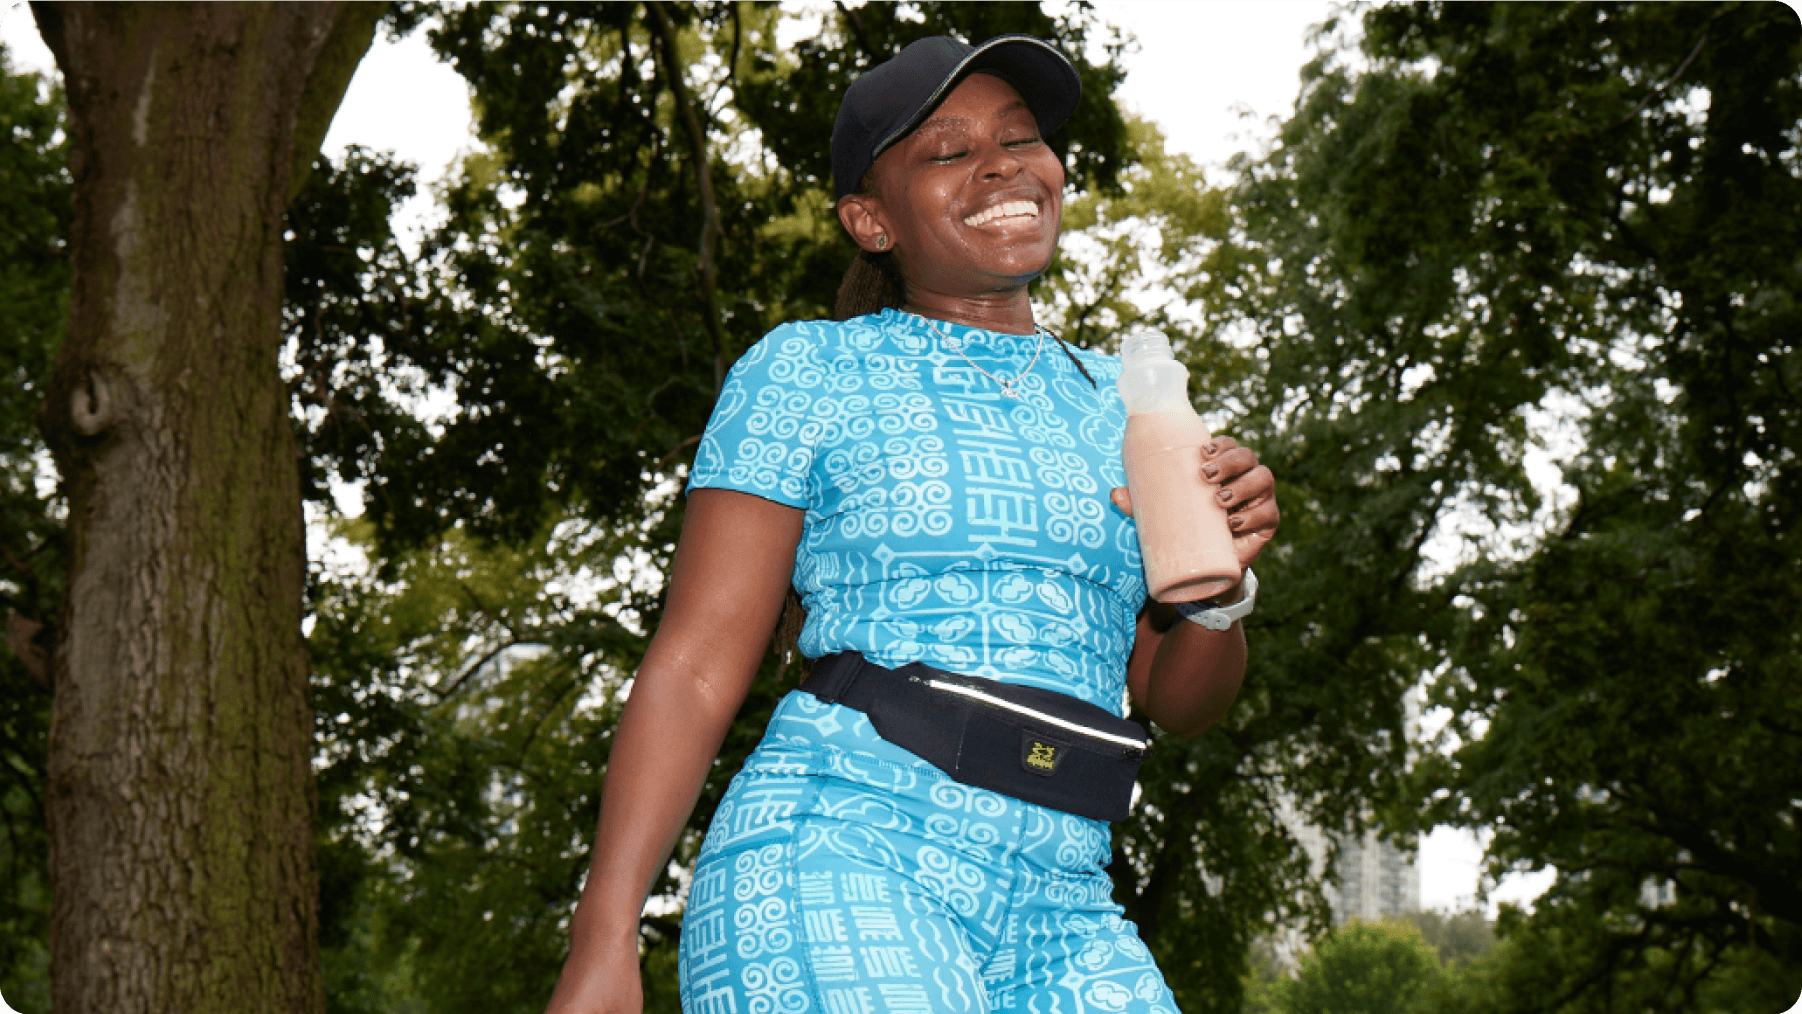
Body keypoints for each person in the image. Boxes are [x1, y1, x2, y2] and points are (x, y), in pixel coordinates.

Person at [546, 34, 1279, 1014]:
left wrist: (1220, 592)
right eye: (946, 151)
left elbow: (1173, 701)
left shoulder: (1134, 410)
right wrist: (606, 934)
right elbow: (692, 662)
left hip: (1068, 903)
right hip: (841, 853)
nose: (1002, 165)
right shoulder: (809, 370)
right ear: (870, 220)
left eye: (1019, 138)